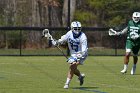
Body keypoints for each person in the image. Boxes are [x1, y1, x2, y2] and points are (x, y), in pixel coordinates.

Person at [51, 21, 88, 89]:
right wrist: (57, 42)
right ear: (72, 28)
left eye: (78, 28)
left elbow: (84, 49)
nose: (77, 30)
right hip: (73, 54)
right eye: (75, 28)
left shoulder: (83, 36)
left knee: (72, 66)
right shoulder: (69, 33)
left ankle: (67, 83)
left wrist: (80, 55)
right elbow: (63, 39)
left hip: (82, 54)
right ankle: (80, 76)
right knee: (73, 67)